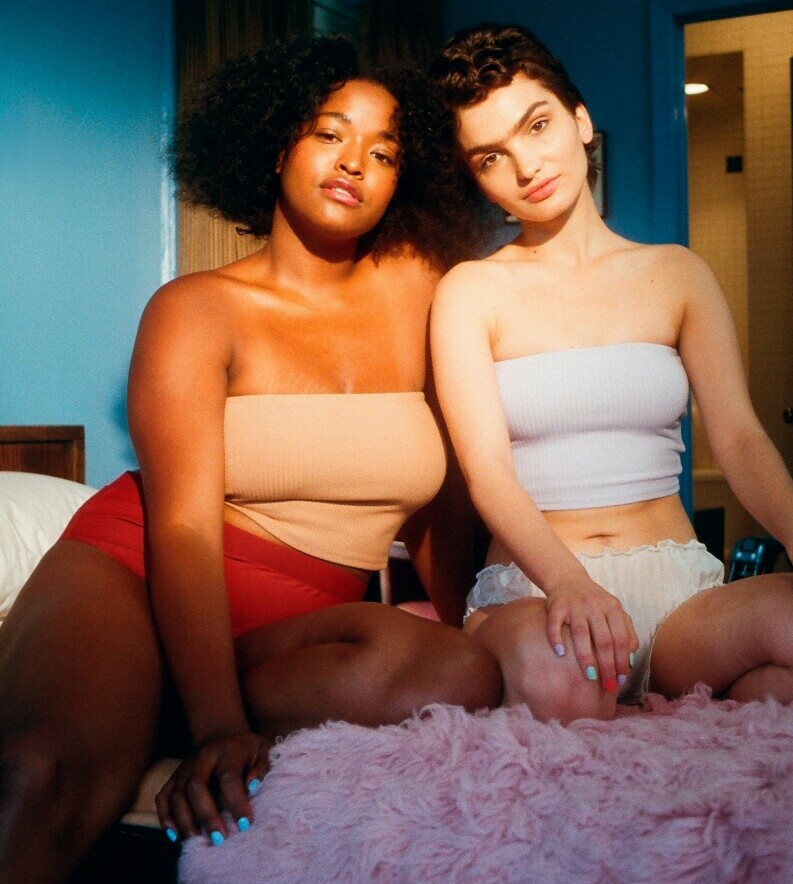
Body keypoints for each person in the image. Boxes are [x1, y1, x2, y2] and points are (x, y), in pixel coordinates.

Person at [0, 33, 502, 882]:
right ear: (276, 148)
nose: (355, 162)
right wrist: (217, 730)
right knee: (38, 773)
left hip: (291, 624)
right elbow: (186, 527)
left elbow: (447, 507)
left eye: (384, 151)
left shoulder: (426, 288)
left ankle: (149, 697)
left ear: (401, 181)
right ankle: (141, 693)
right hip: (138, 570)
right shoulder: (197, 309)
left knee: (455, 670)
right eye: (329, 133)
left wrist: (472, 619)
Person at [429, 23, 793, 726]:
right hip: (535, 588)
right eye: (490, 157)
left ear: (581, 120)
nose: (526, 165)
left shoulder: (676, 273)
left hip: (680, 593)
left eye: (537, 126)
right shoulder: (468, 292)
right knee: (569, 684)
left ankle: (721, 706)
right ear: (478, 180)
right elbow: (486, 473)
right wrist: (569, 584)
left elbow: (742, 443)